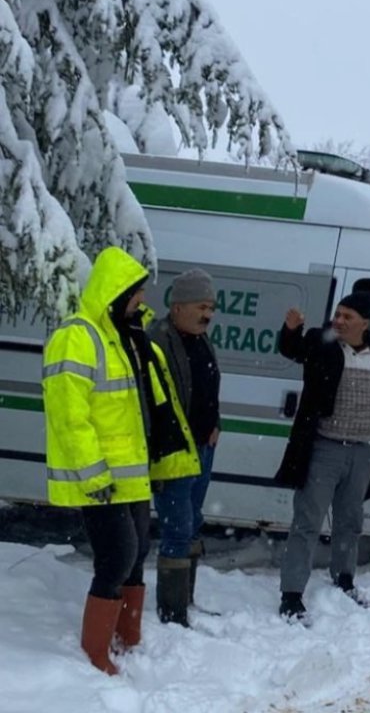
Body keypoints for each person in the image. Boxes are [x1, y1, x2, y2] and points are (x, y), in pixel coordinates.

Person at [42, 246, 200, 674]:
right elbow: (69, 416)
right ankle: (95, 654)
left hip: (130, 474)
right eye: (136, 293)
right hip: (101, 475)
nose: (142, 301)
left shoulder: (126, 338)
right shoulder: (78, 336)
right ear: (116, 293)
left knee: (136, 552)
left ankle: (126, 638)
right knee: (116, 557)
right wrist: (92, 472)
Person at [275, 293, 370, 622]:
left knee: (350, 521)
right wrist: (290, 331)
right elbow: (291, 349)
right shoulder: (322, 342)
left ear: (365, 322)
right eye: (338, 314)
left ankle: (344, 579)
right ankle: (291, 594)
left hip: (363, 451)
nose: (339, 321)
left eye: (348, 316)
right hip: (324, 448)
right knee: (308, 521)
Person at [148, 268, 221, 626]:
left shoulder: (202, 339)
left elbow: (207, 386)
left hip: (202, 449)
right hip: (175, 452)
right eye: (201, 306)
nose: (208, 314)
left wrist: (215, 423)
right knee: (177, 528)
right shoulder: (157, 341)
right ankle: (172, 613)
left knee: (193, 523)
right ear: (178, 306)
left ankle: (185, 601)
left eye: (211, 307)